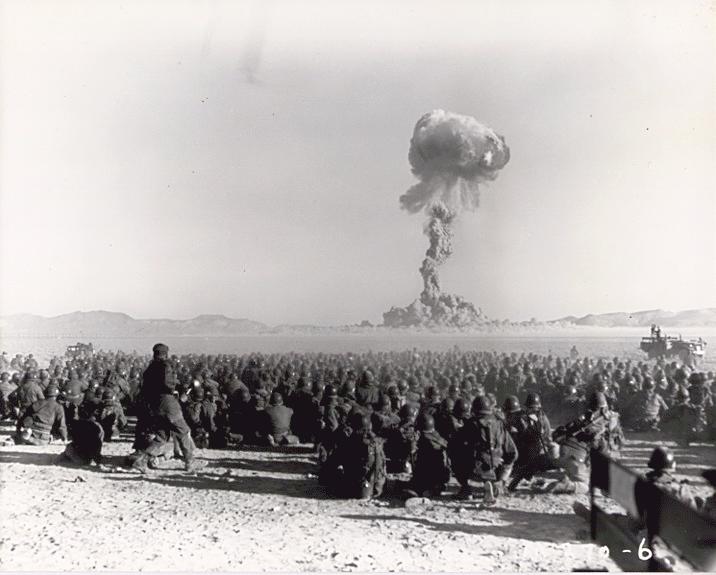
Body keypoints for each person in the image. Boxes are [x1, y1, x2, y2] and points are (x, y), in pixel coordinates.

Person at [132, 343, 199, 473]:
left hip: (155, 405)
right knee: (183, 430)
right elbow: (167, 384)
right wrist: (179, 389)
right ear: (165, 353)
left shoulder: (149, 368)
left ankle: (141, 460)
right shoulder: (165, 365)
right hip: (167, 403)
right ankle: (190, 462)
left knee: (162, 436)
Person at [449, 395, 518, 504]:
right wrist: (504, 468)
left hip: (477, 468)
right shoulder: (499, 423)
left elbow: (455, 447)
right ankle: (499, 483)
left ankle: (466, 490)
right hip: (497, 467)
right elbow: (513, 452)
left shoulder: (471, 424)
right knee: (509, 461)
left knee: (455, 456)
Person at [405, 412, 451, 498]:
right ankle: (435, 487)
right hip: (443, 476)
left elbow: (412, 456)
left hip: (428, 475)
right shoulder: (438, 437)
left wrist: (412, 442)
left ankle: (423, 489)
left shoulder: (424, 440)